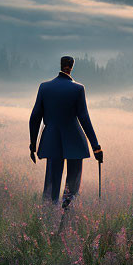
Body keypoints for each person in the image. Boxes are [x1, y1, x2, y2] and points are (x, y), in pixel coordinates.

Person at [29, 55, 103, 208]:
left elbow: (35, 118)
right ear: (72, 66)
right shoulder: (78, 89)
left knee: (51, 182)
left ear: (61, 65)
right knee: (73, 183)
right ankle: (68, 210)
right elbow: (84, 118)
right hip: (75, 141)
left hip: (51, 140)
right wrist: (96, 146)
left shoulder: (44, 87)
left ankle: (49, 212)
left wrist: (33, 144)